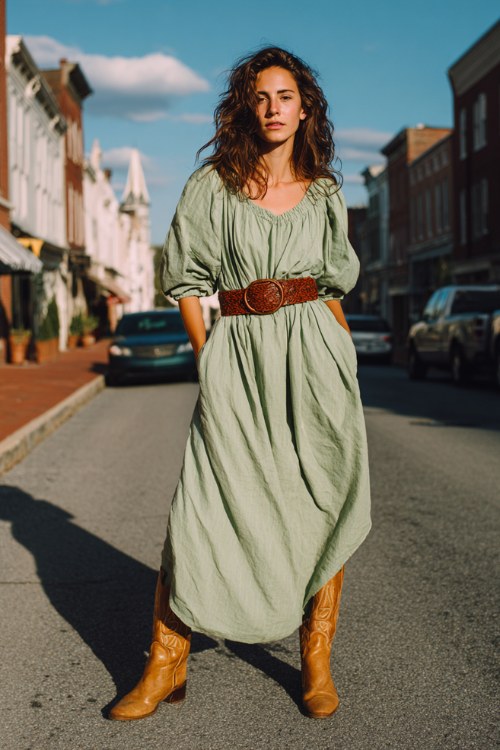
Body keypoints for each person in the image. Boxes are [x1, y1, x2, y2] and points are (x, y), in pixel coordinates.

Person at [109, 45, 371, 722]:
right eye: (261, 97)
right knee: (202, 504)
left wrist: (342, 358)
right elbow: (188, 282)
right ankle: (165, 661)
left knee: (323, 498)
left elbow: (335, 285)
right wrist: (208, 359)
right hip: (241, 352)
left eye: (285, 96)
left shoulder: (325, 192)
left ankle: (316, 653)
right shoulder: (211, 187)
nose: (274, 108)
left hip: (316, 352)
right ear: (243, 108)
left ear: (304, 106)